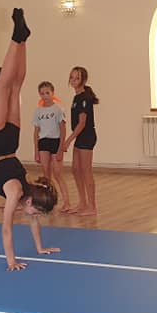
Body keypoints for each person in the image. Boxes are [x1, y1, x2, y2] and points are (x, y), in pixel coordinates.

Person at [0, 9, 59, 270]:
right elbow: (6, 228)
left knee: (14, 88)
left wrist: (40, 248)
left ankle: (22, 39)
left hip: (9, 143)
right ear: (30, 202)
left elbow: (32, 220)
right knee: (5, 88)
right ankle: (17, 39)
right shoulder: (17, 193)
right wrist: (11, 261)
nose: (34, 218)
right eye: (35, 212)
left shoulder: (28, 190)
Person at [61, 67, 99, 216]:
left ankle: (92, 206)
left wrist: (68, 140)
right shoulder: (76, 97)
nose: (73, 80)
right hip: (80, 137)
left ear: (83, 80)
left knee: (86, 171)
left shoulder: (84, 98)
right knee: (75, 169)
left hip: (87, 136)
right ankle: (82, 203)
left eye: (77, 78)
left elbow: (82, 123)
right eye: (72, 77)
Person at [33, 81, 72, 212]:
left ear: (52, 93)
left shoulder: (58, 109)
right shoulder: (38, 111)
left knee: (58, 173)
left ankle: (67, 202)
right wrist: (36, 151)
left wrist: (61, 148)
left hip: (55, 142)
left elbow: (63, 129)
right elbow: (36, 132)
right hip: (43, 142)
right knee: (46, 174)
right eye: (42, 93)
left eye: (47, 93)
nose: (45, 96)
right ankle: (48, 202)